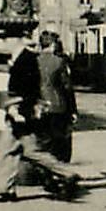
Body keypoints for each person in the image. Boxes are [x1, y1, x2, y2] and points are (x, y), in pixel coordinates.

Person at [0, 31, 83, 202]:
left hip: (21, 112)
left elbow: (29, 88)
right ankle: (6, 189)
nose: (2, 43)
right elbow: (65, 87)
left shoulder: (27, 59)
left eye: (5, 39)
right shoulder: (32, 58)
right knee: (17, 150)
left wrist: (16, 108)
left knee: (26, 151)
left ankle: (66, 173)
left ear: (15, 40)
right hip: (36, 109)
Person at [36, 31, 78, 163]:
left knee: (42, 139)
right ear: (53, 45)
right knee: (60, 139)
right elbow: (67, 86)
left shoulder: (33, 61)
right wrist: (73, 109)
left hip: (39, 105)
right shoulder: (59, 62)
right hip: (58, 104)